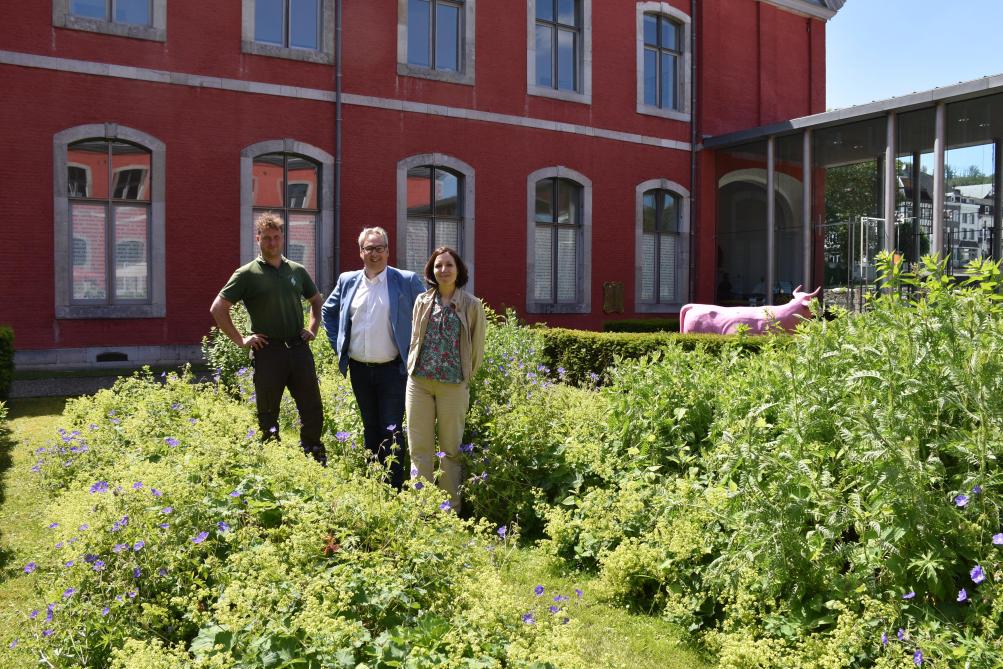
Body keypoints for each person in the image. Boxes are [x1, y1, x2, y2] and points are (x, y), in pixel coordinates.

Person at [210, 212, 327, 465]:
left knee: (312, 408)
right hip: (268, 352)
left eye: (276, 237)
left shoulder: (296, 270)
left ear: (282, 237)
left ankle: (313, 456)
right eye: (266, 238)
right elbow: (218, 308)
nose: (272, 243)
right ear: (258, 239)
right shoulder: (246, 274)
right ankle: (272, 463)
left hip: (298, 349)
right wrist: (242, 340)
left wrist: (313, 328)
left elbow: (316, 301)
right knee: (267, 412)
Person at [321, 227, 425, 488]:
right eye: (369, 248)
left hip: (393, 370)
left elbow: (426, 314)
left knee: (391, 429)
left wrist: (415, 352)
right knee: (370, 428)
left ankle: (393, 488)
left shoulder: (406, 280)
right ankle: (374, 485)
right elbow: (328, 311)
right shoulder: (348, 281)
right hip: (359, 369)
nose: (375, 253)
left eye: (380, 248)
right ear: (361, 252)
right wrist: (339, 345)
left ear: (388, 251)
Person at [405, 246, 486, 512]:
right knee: (420, 448)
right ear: (432, 270)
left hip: (453, 385)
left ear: (459, 270)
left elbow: (477, 347)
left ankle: (450, 508)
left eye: (449, 265)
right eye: (438, 266)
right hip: (419, 383)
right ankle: (422, 506)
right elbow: (416, 338)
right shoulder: (422, 301)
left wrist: (465, 377)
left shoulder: (471, 305)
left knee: (451, 450)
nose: (443, 270)